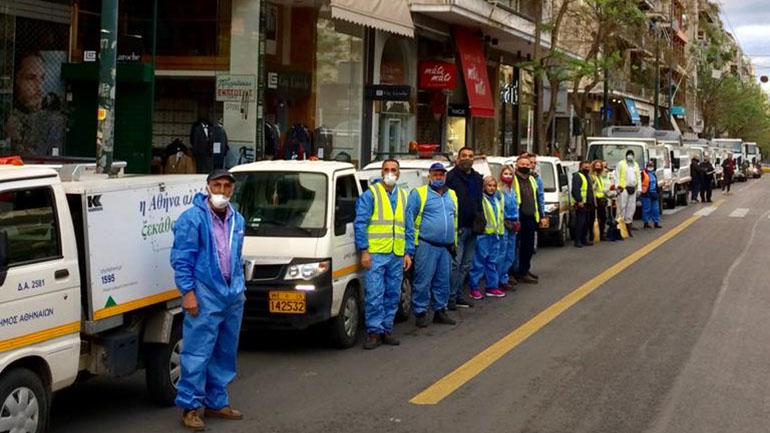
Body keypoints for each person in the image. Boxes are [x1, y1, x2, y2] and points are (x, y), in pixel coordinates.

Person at [170, 169, 246, 431]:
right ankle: (190, 407)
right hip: (204, 292)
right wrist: (188, 292)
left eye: (227, 186)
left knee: (225, 351)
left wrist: (239, 287)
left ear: (232, 190)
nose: (222, 191)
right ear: (207, 187)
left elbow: (235, 256)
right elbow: (182, 259)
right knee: (197, 351)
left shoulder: (238, 219)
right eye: (217, 185)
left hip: (232, 293)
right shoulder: (192, 219)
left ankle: (216, 402)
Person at [354, 159, 411, 350]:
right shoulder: (371, 194)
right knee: (375, 294)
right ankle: (374, 331)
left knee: (393, 294)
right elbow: (360, 224)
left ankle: (387, 329)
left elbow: (408, 227)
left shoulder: (404, 196)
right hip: (376, 253)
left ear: (399, 173)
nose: (389, 173)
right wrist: (364, 251)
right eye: (386, 169)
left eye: (393, 170)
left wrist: (408, 252)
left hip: (396, 253)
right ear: (381, 172)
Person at [405, 163, 458, 328]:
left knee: (443, 281)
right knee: (423, 280)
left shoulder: (453, 195)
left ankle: (440, 310)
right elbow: (409, 220)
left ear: (445, 176)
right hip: (426, 244)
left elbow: (454, 219)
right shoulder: (419, 194)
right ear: (429, 176)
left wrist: (454, 243)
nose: (438, 177)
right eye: (435, 174)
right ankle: (420, 312)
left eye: (441, 174)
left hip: (446, 247)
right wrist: (410, 247)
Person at [4, 52, 66, 156]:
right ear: (16, 80)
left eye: (42, 78)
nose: (39, 88)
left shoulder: (53, 121)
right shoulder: (6, 118)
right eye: (31, 78)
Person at [445, 147, 483, 310]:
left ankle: (458, 294)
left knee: (466, 265)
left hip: (473, 227)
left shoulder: (476, 178)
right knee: (455, 264)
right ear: (458, 158)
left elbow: (479, 201)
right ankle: (449, 297)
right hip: (457, 228)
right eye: (464, 156)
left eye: (470, 156)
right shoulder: (451, 177)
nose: (467, 159)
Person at [469, 176, 506, 299]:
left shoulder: (496, 199)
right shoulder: (482, 199)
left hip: (494, 235)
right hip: (483, 235)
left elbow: (499, 217)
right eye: (489, 185)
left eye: (494, 186)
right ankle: (474, 288)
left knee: (492, 262)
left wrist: (500, 233)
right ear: (484, 186)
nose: (492, 188)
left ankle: (492, 287)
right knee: (479, 263)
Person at [512, 156, 544, 284]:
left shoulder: (532, 179)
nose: (525, 166)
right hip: (518, 218)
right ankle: (512, 273)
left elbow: (537, 198)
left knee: (528, 247)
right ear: (517, 165)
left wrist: (541, 216)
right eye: (522, 164)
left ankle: (524, 271)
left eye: (527, 164)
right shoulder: (512, 179)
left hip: (531, 217)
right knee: (513, 248)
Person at [497, 165, 520, 291]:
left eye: (510, 174)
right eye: (505, 173)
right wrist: (504, 220)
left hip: (513, 224)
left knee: (510, 254)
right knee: (502, 253)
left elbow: (516, 207)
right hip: (503, 225)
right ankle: (497, 281)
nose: (508, 176)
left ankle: (504, 278)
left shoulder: (513, 191)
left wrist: (517, 220)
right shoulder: (499, 191)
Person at [572, 161, 595, 248]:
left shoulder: (588, 176)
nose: (587, 169)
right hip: (581, 203)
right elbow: (575, 190)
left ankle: (584, 240)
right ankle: (577, 241)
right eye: (585, 167)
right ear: (580, 167)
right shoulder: (577, 176)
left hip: (588, 203)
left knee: (586, 223)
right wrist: (579, 200)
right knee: (580, 223)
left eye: (588, 167)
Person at [616, 150, 641, 233]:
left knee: (631, 208)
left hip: (633, 188)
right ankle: (620, 227)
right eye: (628, 154)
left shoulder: (636, 165)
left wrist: (639, 189)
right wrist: (617, 187)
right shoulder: (621, 164)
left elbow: (638, 177)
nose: (630, 156)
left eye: (631, 154)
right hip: (624, 189)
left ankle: (628, 227)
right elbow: (617, 176)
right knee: (622, 207)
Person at [591, 160, 609, 241]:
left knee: (603, 217)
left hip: (602, 199)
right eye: (597, 166)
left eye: (599, 166)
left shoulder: (600, 176)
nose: (598, 167)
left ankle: (601, 234)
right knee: (594, 218)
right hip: (596, 199)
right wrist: (594, 201)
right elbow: (593, 189)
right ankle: (594, 235)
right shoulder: (593, 177)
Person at [640, 161, 662, 229]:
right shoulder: (643, 174)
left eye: (651, 166)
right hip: (646, 193)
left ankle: (656, 222)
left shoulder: (653, 174)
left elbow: (655, 184)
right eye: (649, 166)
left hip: (654, 193)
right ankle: (646, 223)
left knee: (655, 209)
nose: (650, 167)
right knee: (646, 209)